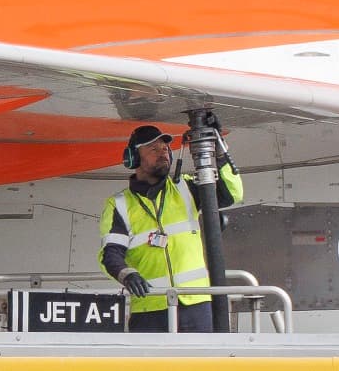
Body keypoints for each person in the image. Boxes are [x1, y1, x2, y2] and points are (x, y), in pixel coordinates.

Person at [98, 118, 243, 332]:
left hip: (197, 303)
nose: (163, 153)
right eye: (153, 149)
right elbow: (110, 254)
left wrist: (220, 153)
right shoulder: (119, 204)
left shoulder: (186, 187)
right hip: (150, 306)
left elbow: (232, 195)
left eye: (165, 148)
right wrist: (127, 274)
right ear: (133, 158)